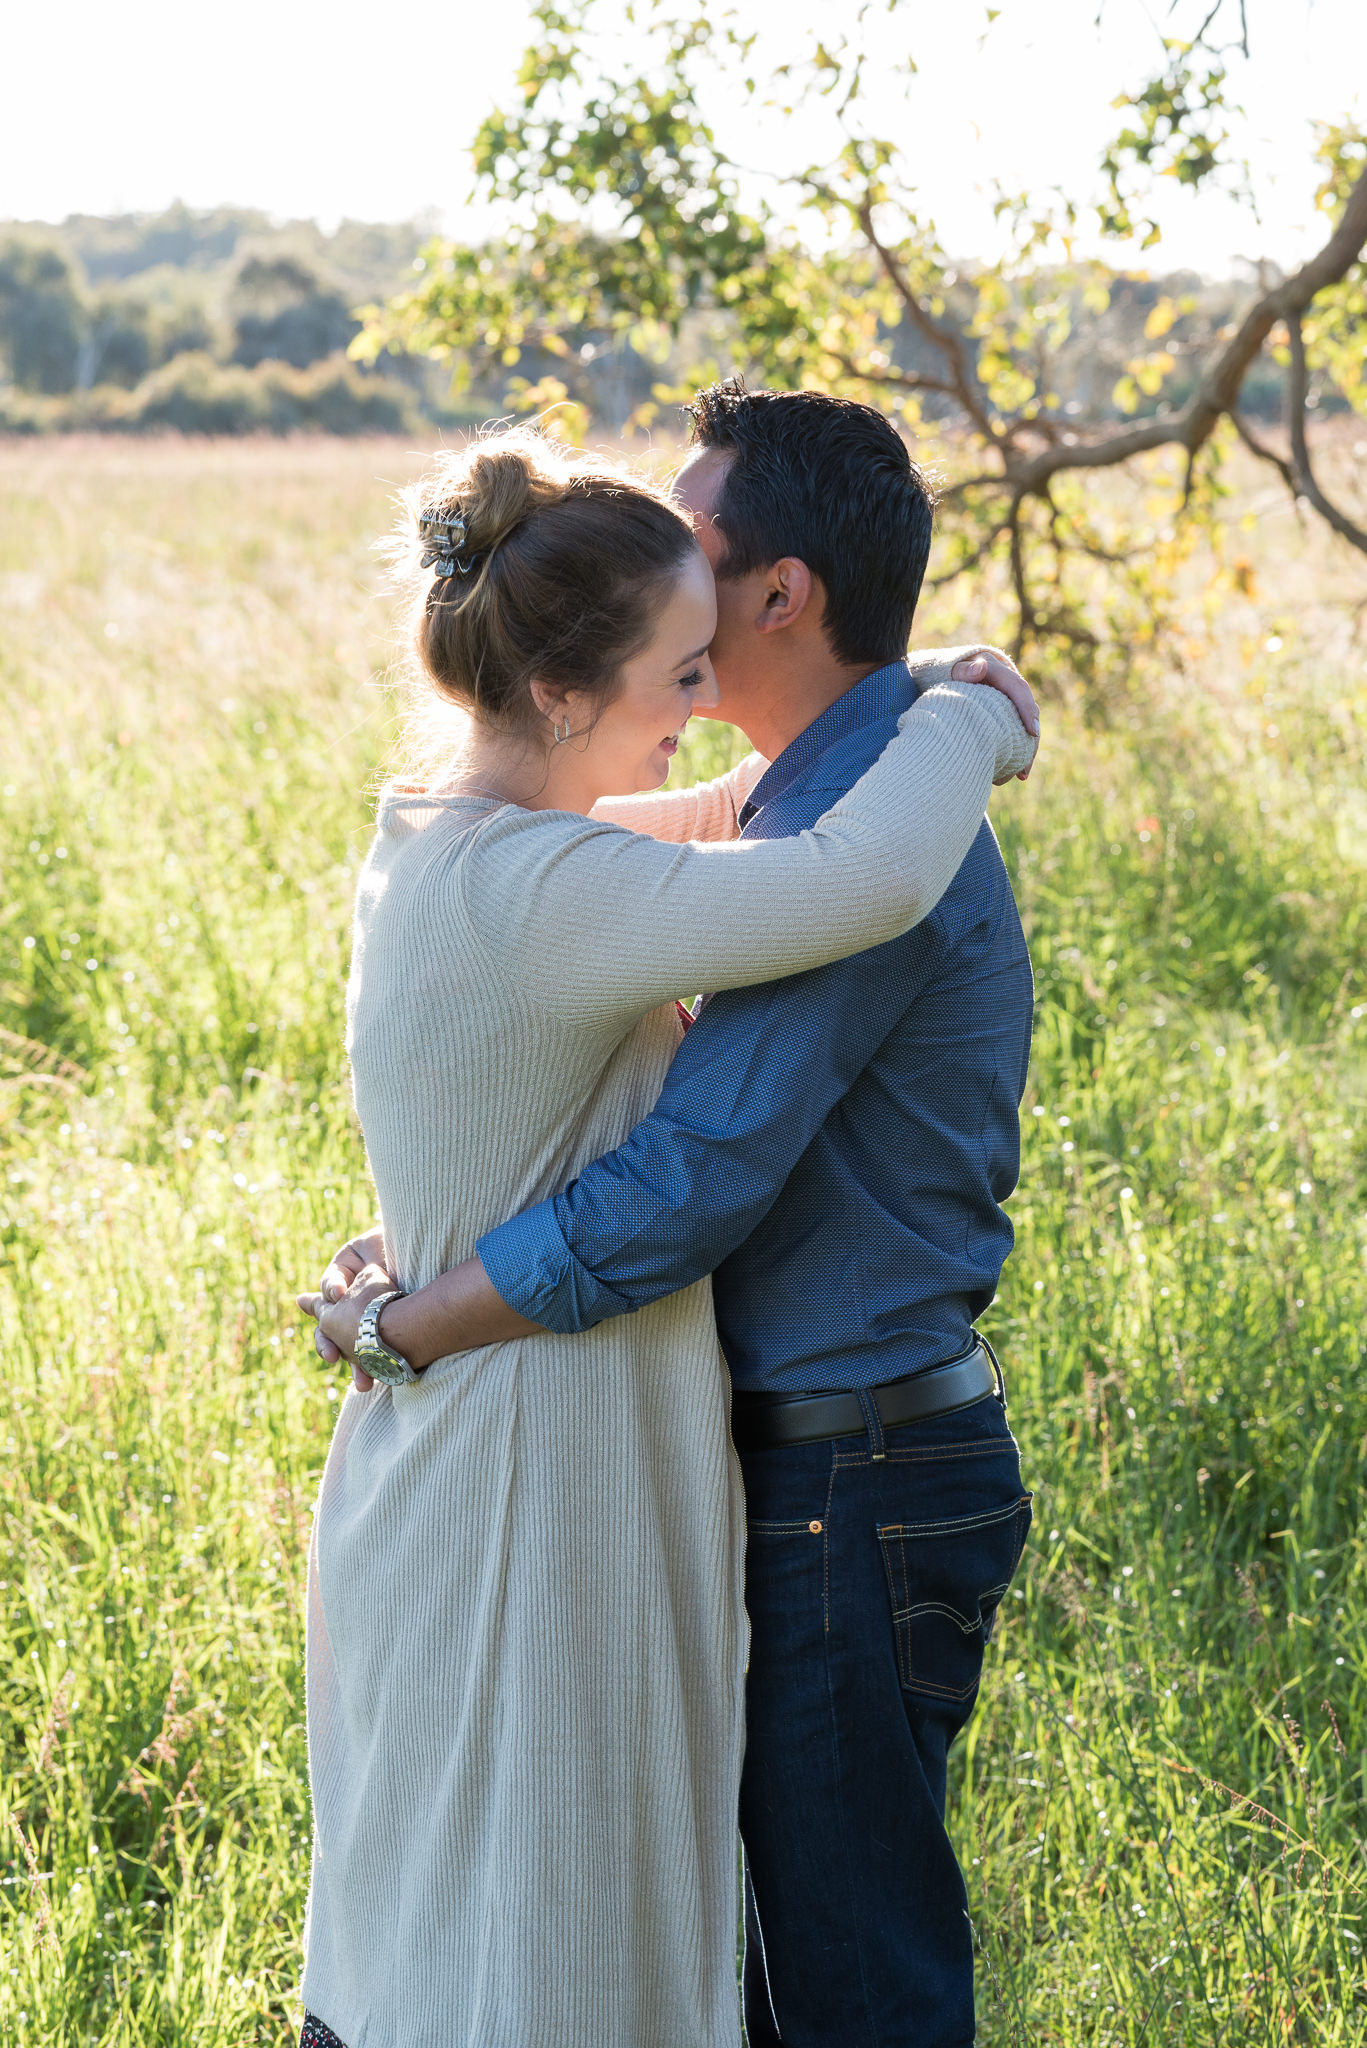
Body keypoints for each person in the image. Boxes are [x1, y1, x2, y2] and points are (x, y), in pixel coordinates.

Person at [306, 385, 1040, 2048]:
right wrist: (955, 718)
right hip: (663, 1450)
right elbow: (748, 873)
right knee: (673, 1943)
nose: (691, 651)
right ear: (564, 686)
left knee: (831, 1982)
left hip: (845, 1467)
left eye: (704, 574)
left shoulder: (786, 837)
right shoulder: (602, 854)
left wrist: (424, 1303)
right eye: (666, 654)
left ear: (780, 594)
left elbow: (688, 1179)